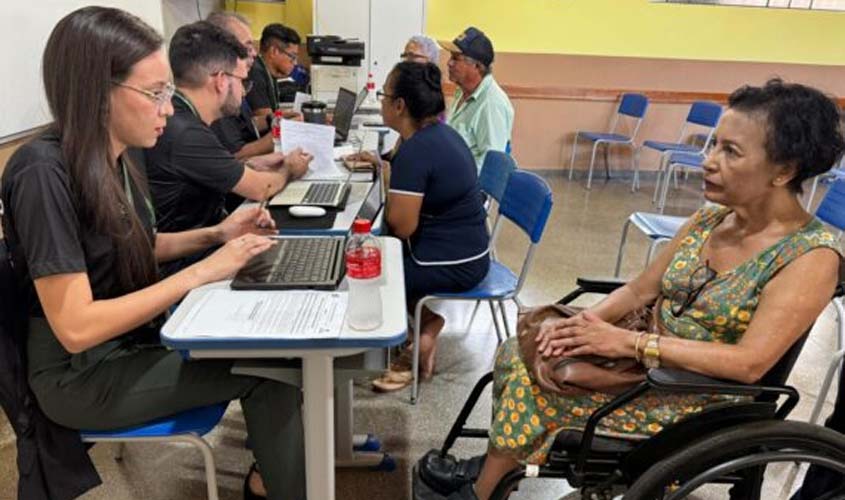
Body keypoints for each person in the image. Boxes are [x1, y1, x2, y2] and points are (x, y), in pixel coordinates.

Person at [436, 78, 845, 500]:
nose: (708, 161)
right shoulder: (711, 219)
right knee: (528, 347)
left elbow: (749, 365)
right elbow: (638, 291)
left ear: (785, 170)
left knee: (534, 387)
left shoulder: (809, 257)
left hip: (694, 398)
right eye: (713, 144)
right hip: (644, 366)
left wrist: (628, 344)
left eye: (730, 152)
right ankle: (503, 463)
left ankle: (487, 486)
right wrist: (585, 327)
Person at [1, 6, 305, 499]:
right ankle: (278, 484)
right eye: (156, 94)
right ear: (97, 91)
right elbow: (76, 327)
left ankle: (273, 476)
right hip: (80, 376)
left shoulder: (113, 155)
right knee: (269, 371)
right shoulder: (44, 173)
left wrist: (217, 236)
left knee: (273, 352)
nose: (168, 108)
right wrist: (200, 273)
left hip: (128, 343)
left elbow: (135, 245)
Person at [350, 62, 490, 390]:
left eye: (384, 95)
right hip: (467, 249)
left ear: (400, 106)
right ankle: (427, 323)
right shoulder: (436, 135)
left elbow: (402, 226)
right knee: (382, 251)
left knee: (375, 266)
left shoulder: (418, 150)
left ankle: (406, 347)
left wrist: (390, 180)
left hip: (455, 262)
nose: (381, 101)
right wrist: (387, 169)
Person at [144, 21, 312, 275]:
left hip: (201, 247)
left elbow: (208, 169)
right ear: (222, 81)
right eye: (242, 81)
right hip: (184, 264)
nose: (245, 92)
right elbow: (260, 188)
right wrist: (289, 168)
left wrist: (249, 165)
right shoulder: (186, 132)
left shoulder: (185, 120)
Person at [439, 27, 514, 172]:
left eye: (455, 58)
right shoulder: (462, 92)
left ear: (477, 66)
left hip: (467, 188)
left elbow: (491, 167)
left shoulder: (491, 104)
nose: (449, 63)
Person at [206, 11, 274, 161]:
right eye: (247, 47)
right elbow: (233, 155)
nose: (255, 54)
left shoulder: (237, 81)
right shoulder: (218, 96)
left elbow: (243, 126)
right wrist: (277, 135)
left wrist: (273, 120)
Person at [246, 23, 305, 121]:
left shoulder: (268, 72)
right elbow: (268, 120)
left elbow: (273, 113)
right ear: (274, 51)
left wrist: (290, 113)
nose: (295, 63)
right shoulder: (255, 74)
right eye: (292, 56)